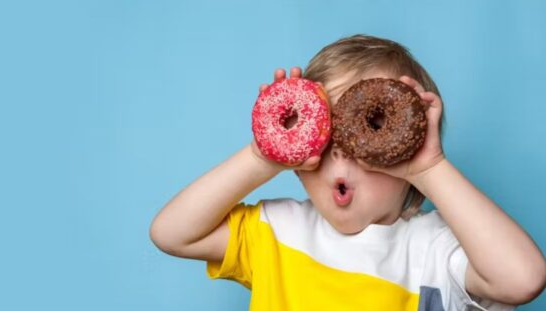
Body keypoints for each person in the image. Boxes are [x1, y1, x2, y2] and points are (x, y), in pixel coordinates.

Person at [149, 34, 546, 310]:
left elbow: (523, 279)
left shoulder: (434, 251)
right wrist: (263, 156)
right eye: (324, 139)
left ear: (406, 148)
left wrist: (429, 168)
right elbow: (172, 233)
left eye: (369, 131)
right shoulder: (277, 231)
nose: (340, 153)